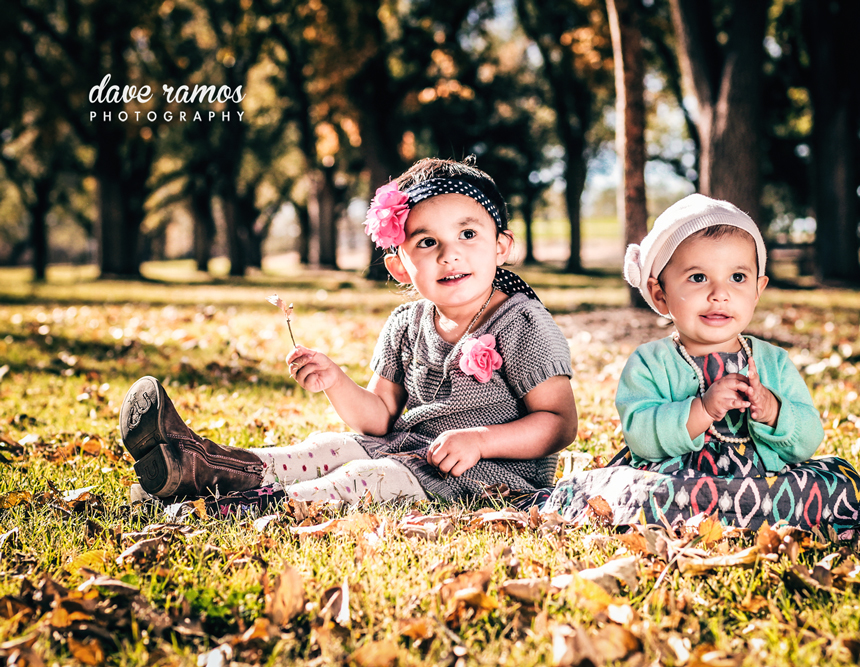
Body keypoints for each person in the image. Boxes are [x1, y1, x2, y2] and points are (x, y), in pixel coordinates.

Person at [120, 157, 577, 512]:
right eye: (426, 242)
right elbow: (379, 419)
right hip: (402, 448)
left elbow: (559, 423)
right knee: (325, 448)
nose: (449, 254)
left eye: (468, 234)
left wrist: (479, 440)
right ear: (399, 265)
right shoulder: (405, 323)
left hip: (489, 473)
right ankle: (203, 465)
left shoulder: (523, 324)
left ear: (502, 246)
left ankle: (228, 506)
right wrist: (336, 381)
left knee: (361, 477)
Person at [542, 194, 860, 535]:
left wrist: (773, 410)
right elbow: (641, 438)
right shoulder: (651, 362)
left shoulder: (773, 362)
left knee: (839, 484)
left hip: (764, 479)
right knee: (644, 494)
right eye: (698, 277)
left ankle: (745, 512)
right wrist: (702, 409)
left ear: (758, 289)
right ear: (660, 293)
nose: (720, 293)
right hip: (678, 480)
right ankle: (735, 516)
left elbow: (808, 439)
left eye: (737, 278)